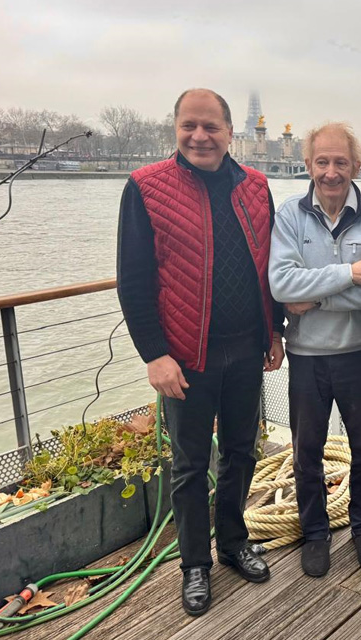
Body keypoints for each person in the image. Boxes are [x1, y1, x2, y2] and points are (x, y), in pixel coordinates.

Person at [116, 88, 284, 616]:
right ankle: (194, 564)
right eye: (189, 125)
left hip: (245, 350)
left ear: (231, 132)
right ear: (176, 129)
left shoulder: (256, 187)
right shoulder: (146, 188)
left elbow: (268, 268)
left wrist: (274, 329)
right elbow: (134, 279)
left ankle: (233, 542)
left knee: (241, 451)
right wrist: (155, 354)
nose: (200, 136)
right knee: (190, 465)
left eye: (211, 126)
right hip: (186, 357)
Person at [269, 122, 361, 578]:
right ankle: (315, 532)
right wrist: (348, 275)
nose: (332, 171)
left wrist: (312, 294)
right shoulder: (289, 216)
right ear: (308, 166)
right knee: (306, 450)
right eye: (322, 161)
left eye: (341, 162)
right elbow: (281, 284)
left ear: (355, 166)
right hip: (307, 357)